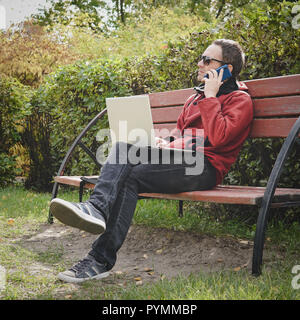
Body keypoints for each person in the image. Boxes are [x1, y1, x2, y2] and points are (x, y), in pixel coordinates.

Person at [49, 38, 253, 283]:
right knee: (130, 175)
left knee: (124, 149)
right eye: (201, 58)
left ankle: (96, 209)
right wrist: (164, 145)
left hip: (205, 168)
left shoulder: (240, 100)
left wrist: (211, 97)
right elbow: (182, 137)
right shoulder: (194, 99)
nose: (199, 63)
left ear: (226, 69)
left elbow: (219, 139)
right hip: (183, 161)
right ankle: (98, 260)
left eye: (207, 60)